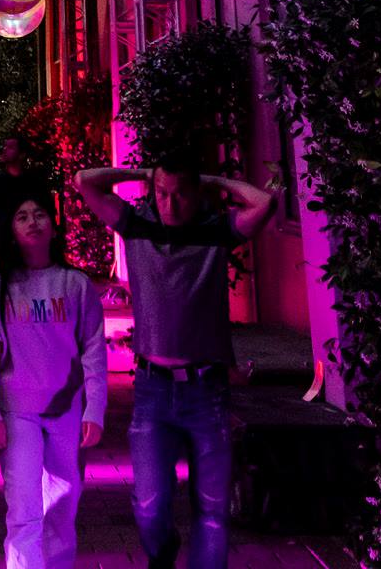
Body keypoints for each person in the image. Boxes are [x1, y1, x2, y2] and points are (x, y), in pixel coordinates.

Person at [76, 155, 280, 569]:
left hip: (207, 391)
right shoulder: (137, 226)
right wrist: (141, 173)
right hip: (153, 388)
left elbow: (265, 203)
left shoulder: (215, 231)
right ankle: (162, 552)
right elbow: (84, 182)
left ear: (196, 194)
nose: (170, 204)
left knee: (212, 511)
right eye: (162, 194)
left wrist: (210, 178)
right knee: (150, 505)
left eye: (181, 195)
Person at [0, 197, 107, 569]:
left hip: (67, 410)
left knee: (64, 505)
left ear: (53, 223)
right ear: (11, 231)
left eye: (39, 214)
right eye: (21, 216)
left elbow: (94, 351)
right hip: (17, 412)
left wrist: (94, 409)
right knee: (23, 509)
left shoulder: (75, 284)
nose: (32, 222)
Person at [0, 134, 50, 251]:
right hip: (2, 246)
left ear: (22, 154)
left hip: (28, 246)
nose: (5, 149)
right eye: (5, 146)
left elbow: (47, 212)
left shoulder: (35, 182)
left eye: (10, 147)